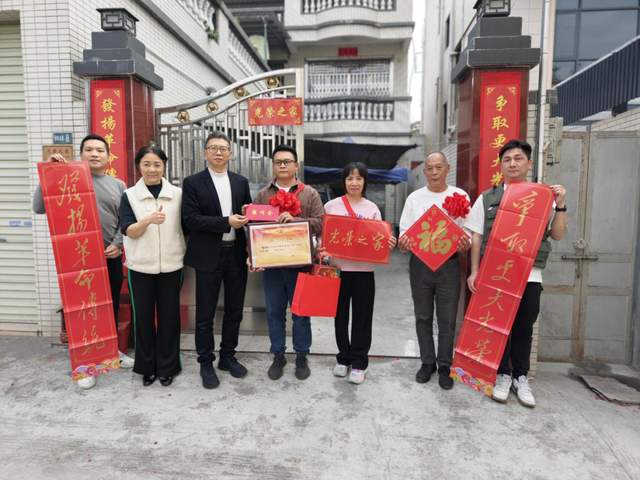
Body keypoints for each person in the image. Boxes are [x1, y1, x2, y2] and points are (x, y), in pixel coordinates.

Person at [464, 139, 567, 408]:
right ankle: (502, 375)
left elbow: (557, 234)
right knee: (499, 328)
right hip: (496, 274)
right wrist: (474, 272)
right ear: (501, 165)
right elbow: (476, 236)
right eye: (507, 159)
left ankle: (521, 377)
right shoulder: (487, 198)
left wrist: (561, 205)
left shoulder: (543, 197)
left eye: (518, 158)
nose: (512, 163)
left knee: (524, 327)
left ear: (529, 163)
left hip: (529, 275)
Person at [33, 134, 134, 390]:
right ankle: (85, 366)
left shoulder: (118, 185)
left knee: (108, 306)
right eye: (89, 149)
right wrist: (48, 173)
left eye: (100, 150)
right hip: (77, 259)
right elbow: (39, 207)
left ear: (108, 156)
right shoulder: (66, 178)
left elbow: (125, 220)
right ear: (81, 154)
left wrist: (117, 243)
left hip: (109, 256)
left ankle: (111, 352)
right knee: (81, 311)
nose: (94, 154)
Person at [181, 132, 252, 389]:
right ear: (205, 153)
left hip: (236, 253)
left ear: (230, 153)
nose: (219, 152)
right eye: (213, 148)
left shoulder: (240, 182)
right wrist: (226, 222)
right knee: (205, 313)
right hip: (208, 255)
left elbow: (249, 215)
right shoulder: (193, 182)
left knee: (235, 310)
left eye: (223, 148)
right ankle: (205, 362)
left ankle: (227, 356)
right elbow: (190, 220)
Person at [398, 152, 471, 390]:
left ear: (447, 168)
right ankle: (427, 362)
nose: (434, 172)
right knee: (423, 316)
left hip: (449, 264)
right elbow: (404, 232)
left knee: (447, 319)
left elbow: (468, 232)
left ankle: (445, 366)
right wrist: (404, 242)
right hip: (420, 264)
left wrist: (465, 242)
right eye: (429, 168)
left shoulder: (460, 196)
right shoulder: (414, 198)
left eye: (439, 167)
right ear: (425, 171)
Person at [253, 145, 324, 381]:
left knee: (301, 313)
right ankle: (278, 355)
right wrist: (252, 255)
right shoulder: (263, 195)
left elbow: (321, 222)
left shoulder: (309, 194)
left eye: (287, 161)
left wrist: (296, 220)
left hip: (301, 264)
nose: (282, 165)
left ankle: (302, 355)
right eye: (278, 162)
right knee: (274, 313)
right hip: (272, 265)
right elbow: (253, 228)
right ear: (273, 166)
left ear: (296, 165)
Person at [322, 162, 397, 384]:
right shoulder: (331, 206)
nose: (354, 183)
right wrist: (323, 251)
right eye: (349, 178)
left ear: (365, 182)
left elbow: (378, 240)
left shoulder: (372, 208)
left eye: (358, 178)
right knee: (340, 316)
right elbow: (323, 238)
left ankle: (359, 363)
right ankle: (343, 358)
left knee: (362, 318)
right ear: (344, 181)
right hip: (337, 271)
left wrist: (388, 243)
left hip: (364, 272)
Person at [119, 146, 186, 387]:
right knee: (143, 319)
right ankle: (146, 367)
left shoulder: (177, 194)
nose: (152, 169)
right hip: (140, 268)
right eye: (146, 164)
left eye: (157, 164)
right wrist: (147, 220)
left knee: (169, 319)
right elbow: (128, 230)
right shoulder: (129, 195)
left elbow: (188, 225)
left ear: (164, 166)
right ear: (139, 166)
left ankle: (168, 366)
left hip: (172, 265)